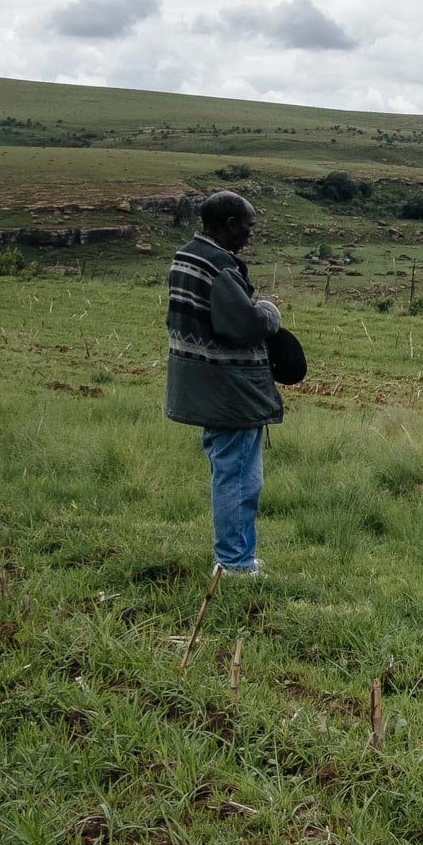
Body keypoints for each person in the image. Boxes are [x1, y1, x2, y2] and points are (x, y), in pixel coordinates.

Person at [166, 191, 284, 577]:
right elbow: (244, 325)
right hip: (229, 388)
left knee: (234, 473)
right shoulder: (218, 266)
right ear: (230, 225)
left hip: (205, 384)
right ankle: (233, 563)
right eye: (247, 227)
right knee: (238, 478)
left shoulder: (186, 256)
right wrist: (268, 310)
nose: (249, 236)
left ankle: (240, 555)